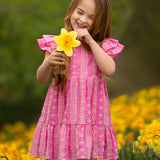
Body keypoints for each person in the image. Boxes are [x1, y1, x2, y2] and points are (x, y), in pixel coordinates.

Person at [30, 0, 124, 159]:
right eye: (80, 12)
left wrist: (90, 42)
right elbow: (41, 78)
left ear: (100, 21)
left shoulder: (100, 46)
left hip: (89, 114)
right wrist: (48, 62)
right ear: (71, 11)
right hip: (62, 112)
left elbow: (110, 69)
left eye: (91, 17)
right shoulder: (57, 43)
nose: (83, 20)